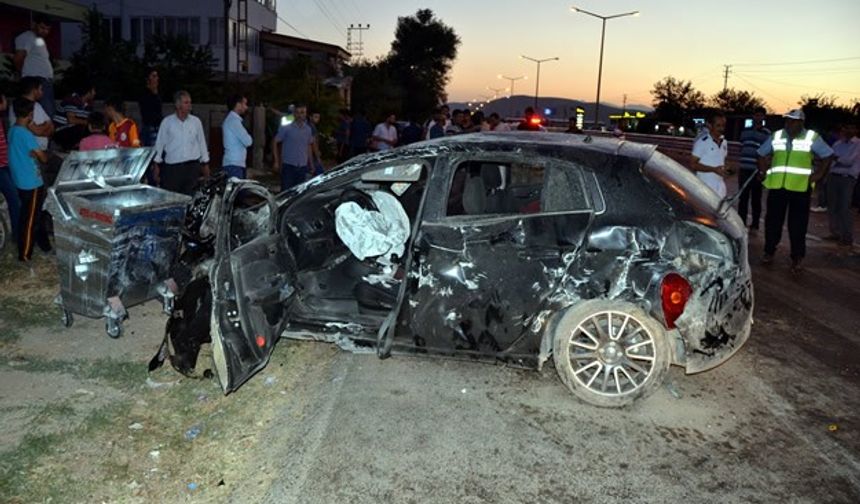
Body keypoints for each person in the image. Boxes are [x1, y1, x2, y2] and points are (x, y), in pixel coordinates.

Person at [758, 109, 834, 274]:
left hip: (800, 188)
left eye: (793, 121)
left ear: (801, 123)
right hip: (777, 187)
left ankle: (797, 258)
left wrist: (819, 175)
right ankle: (769, 252)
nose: (789, 123)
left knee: (798, 225)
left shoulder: (811, 137)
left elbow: (828, 155)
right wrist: (763, 171)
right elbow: (761, 154)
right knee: (772, 222)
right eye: (787, 120)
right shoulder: (777, 136)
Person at [8, 98, 51, 261]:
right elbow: (44, 158)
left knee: (34, 215)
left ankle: (44, 245)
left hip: (19, 180)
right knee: (31, 220)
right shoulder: (26, 134)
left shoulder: (12, 130)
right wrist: (39, 153)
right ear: (30, 114)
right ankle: (24, 255)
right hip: (31, 183)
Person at [153, 91, 210, 195]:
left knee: (189, 199)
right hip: (173, 169)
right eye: (186, 103)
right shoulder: (167, 122)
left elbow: (202, 144)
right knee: (172, 199)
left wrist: (205, 165)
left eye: (190, 102)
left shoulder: (196, 122)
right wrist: (156, 166)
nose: (189, 106)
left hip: (192, 167)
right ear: (178, 105)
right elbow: (159, 145)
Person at [824, 123, 859, 249]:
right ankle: (835, 232)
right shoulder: (838, 144)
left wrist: (836, 159)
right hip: (833, 177)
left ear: (856, 129)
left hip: (847, 179)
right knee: (832, 206)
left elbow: (848, 161)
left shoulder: (858, 145)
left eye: (851, 127)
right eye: (846, 127)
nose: (847, 130)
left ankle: (846, 236)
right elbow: (830, 160)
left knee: (844, 207)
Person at [14, 14, 55, 118]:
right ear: (34, 25)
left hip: (44, 82)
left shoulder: (39, 40)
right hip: (35, 81)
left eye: (47, 29)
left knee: (46, 114)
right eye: (42, 27)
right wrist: (22, 77)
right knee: (45, 112)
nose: (45, 31)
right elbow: (19, 58)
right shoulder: (26, 37)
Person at [737, 107, 770, 231]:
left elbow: (767, 153)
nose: (758, 117)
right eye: (756, 115)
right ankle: (741, 222)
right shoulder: (745, 131)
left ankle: (755, 223)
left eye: (760, 115)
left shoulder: (766, 133)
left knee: (756, 198)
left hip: (756, 169)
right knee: (743, 197)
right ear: (753, 116)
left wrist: (763, 170)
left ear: (763, 117)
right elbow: (741, 147)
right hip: (744, 168)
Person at [272, 104, 314, 191]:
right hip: (289, 165)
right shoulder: (287, 127)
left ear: (305, 114)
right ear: (294, 114)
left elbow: (308, 146)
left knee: (298, 194)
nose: (299, 115)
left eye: (302, 113)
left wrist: (311, 163)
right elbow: (275, 142)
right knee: (286, 193)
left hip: (302, 166)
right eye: (297, 113)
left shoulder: (308, 129)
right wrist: (276, 161)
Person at [8, 77, 54, 151]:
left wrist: (43, 127)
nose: (42, 92)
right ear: (34, 91)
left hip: (31, 149)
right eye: (40, 89)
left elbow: (50, 128)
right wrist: (46, 125)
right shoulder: (30, 107)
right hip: (34, 151)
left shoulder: (15, 105)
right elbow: (39, 131)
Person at [690, 110, 729, 198]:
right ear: (709, 125)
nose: (721, 129)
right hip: (705, 189)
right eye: (718, 125)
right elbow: (693, 165)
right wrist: (713, 169)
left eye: (723, 125)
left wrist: (727, 168)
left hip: (720, 189)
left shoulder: (724, 142)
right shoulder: (702, 142)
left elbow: (723, 161)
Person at [0, 94, 22, 243]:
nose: (7, 102)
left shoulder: (2, 120)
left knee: (15, 199)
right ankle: (17, 235)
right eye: (4, 99)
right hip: (0, 168)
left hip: (4, 165)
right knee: (15, 200)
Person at [52, 83, 95, 150]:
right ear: (89, 92)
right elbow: (71, 120)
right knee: (83, 127)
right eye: (94, 91)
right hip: (62, 130)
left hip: (73, 130)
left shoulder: (89, 105)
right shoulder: (72, 99)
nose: (95, 93)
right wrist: (90, 123)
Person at [221, 94, 252, 179]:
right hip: (234, 165)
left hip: (234, 163)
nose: (246, 107)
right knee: (237, 191)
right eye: (244, 104)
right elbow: (248, 141)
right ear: (238, 105)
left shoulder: (232, 120)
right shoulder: (234, 121)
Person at [139, 69, 162, 147]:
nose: (157, 78)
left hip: (157, 128)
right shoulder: (145, 94)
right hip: (149, 128)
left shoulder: (156, 94)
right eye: (154, 76)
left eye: (157, 76)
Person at [308, 111, 324, 176]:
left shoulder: (312, 126)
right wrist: (317, 155)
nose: (317, 119)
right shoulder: (311, 127)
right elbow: (313, 143)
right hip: (312, 153)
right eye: (315, 117)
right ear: (310, 117)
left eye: (318, 117)